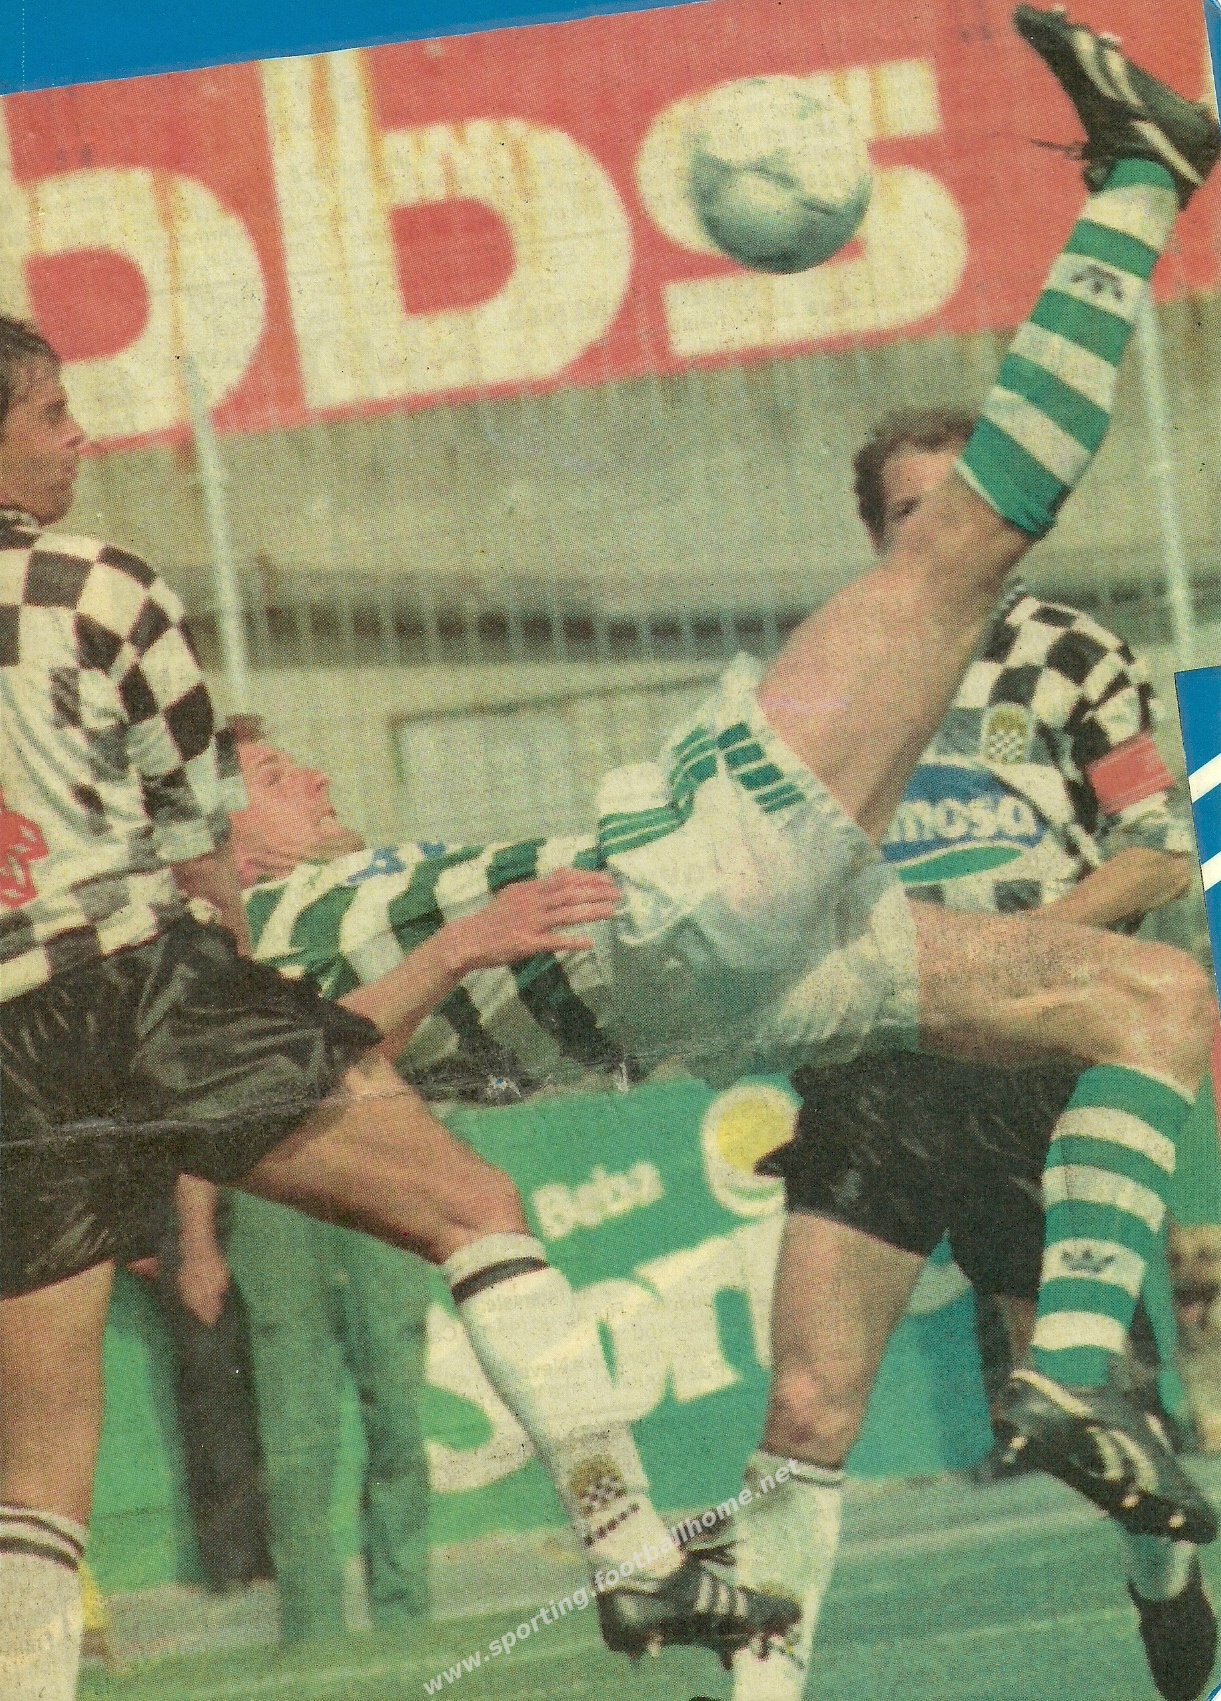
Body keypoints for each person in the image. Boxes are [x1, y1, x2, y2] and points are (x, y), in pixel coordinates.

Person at [2, 9, 1220, 1694]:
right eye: (267, 767)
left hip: (727, 988)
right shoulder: (217, 927)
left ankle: (1073, 1373)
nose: (296, 769)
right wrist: (450, 935)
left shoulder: (202, 966)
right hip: (670, 906)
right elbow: (290, 1029)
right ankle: (1139, 185)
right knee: (960, 551)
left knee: (1152, 997)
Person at [712, 407, 1213, 1701]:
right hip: (882, 1063)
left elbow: (1159, 852)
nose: (943, 530)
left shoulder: (1071, 654)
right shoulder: (830, 674)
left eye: (963, 502)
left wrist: (1024, 956)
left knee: (1094, 1403)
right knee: (806, 1407)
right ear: (875, 534)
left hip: (1036, 1061)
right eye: (909, 513)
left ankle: (1166, 1587)